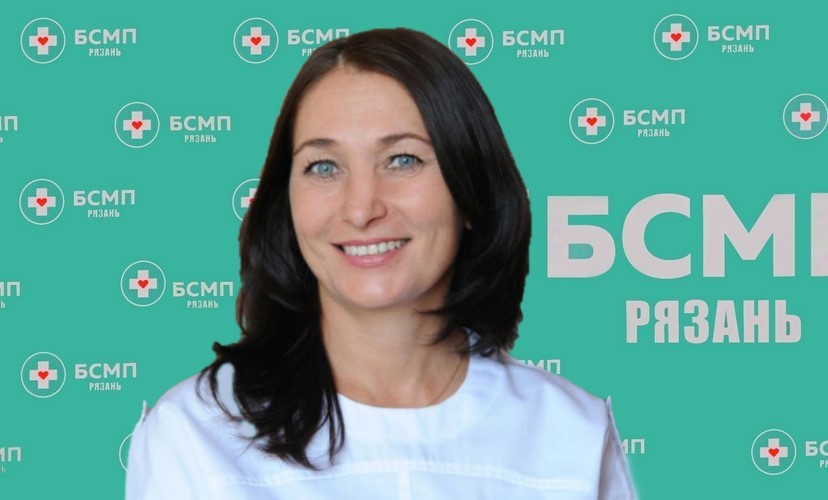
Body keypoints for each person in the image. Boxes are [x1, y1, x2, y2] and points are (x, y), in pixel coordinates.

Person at [125, 27, 638, 499]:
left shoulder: (572, 436)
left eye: (403, 160)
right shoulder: (194, 434)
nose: (361, 209)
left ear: (471, 190)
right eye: (323, 167)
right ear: (286, 201)